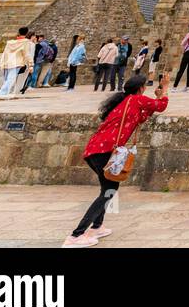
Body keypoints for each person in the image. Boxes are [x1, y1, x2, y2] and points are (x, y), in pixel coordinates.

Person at [63, 74, 168, 247]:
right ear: (141, 88)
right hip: (104, 151)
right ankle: (75, 236)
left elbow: (141, 118)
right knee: (108, 191)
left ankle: (97, 227)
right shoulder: (135, 100)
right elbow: (161, 106)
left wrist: (157, 96)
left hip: (94, 150)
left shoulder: (125, 102)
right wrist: (165, 89)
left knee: (107, 189)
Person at [0, 27, 34, 98]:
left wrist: (2, 63)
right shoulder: (25, 42)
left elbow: (5, 53)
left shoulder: (10, 43)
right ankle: (2, 93)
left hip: (7, 62)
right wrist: (31, 65)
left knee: (7, 79)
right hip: (16, 63)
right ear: (26, 33)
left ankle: (5, 92)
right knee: (11, 79)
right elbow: (27, 54)